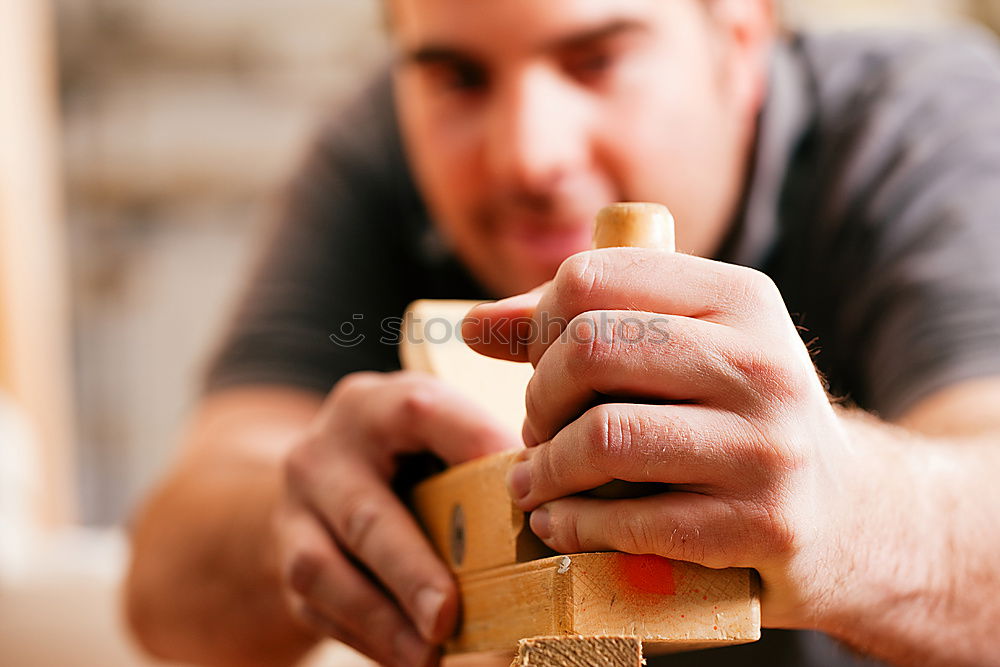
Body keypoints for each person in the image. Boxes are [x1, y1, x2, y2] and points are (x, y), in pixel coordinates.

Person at [124, 1, 1000, 666]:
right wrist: (299, 513)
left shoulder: (925, 128)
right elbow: (164, 587)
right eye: (459, 78)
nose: (528, 157)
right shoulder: (378, 148)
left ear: (740, 44)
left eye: (598, 60)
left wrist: (853, 511)